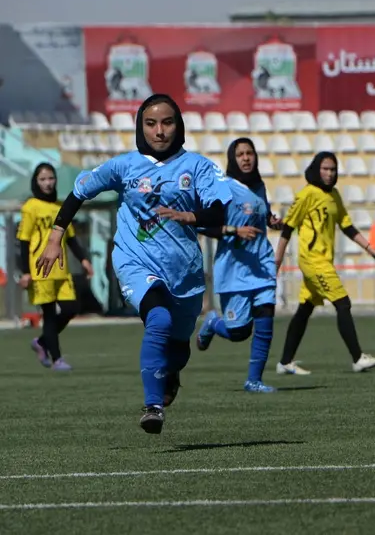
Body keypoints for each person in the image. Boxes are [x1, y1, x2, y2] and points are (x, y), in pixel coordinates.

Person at [35, 93, 233, 435]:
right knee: (158, 318)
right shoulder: (124, 165)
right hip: (135, 261)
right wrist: (56, 236)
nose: (159, 131)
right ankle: (152, 407)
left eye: (167, 122)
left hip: (184, 273)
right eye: (151, 123)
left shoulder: (198, 166)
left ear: (178, 126)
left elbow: (220, 208)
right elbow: (79, 193)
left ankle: (169, 373)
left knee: (178, 350)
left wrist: (191, 215)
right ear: (141, 126)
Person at [273, 151, 375, 376]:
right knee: (342, 303)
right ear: (316, 169)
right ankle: (358, 358)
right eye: (325, 168)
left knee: (305, 309)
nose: (329, 173)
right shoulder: (307, 194)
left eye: (333, 169)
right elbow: (288, 228)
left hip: (324, 261)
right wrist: (277, 260)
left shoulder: (334, 195)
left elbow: (347, 226)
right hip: (312, 261)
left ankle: (285, 362)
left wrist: (372, 250)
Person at [196, 138, 284, 393]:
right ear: (232, 159)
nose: (246, 158)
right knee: (238, 332)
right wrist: (234, 230)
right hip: (233, 269)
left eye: (250, 153)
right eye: (240, 154)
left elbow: (263, 215)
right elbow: (203, 224)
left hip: (262, 264)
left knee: (266, 317)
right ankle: (213, 322)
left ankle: (254, 380)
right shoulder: (223, 189)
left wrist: (273, 221)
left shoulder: (259, 186)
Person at [17, 163, 94, 370]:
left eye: (50, 178)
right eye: (43, 179)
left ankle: (41, 342)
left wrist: (83, 259)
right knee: (49, 315)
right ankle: (57, 359)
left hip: (61, 268)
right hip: (40, 269)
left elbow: (70, 238)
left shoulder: (60, 205)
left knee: (71, 308)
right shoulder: (31, 206)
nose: (47, 183)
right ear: (36, 181)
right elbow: (23, 241)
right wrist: (25, 271)